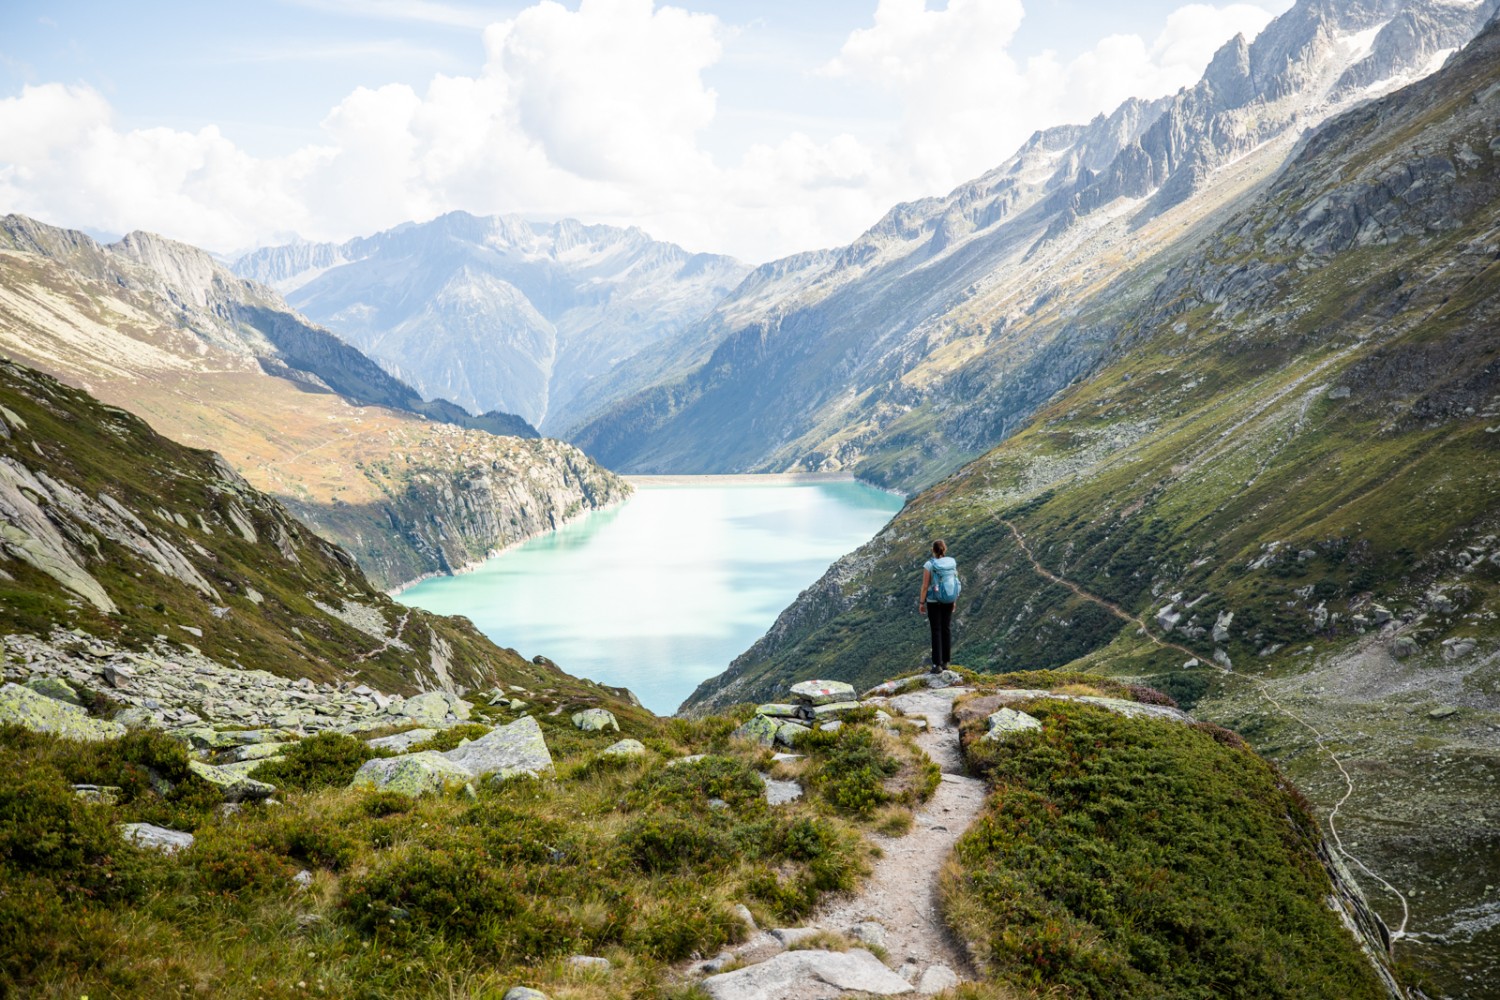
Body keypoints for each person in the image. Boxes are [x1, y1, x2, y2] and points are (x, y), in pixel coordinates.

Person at [919, 539, 959, 672]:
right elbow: (953, 583)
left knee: (936, 630)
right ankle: (946, 662)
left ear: (933, 550)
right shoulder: (950, 563)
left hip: (933, 601)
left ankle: (937, 665)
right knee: (946, 629)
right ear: (944, 549)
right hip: (948, 599)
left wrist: (921, 602)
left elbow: (925, 586)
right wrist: (953, 600)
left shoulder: (929, 565)